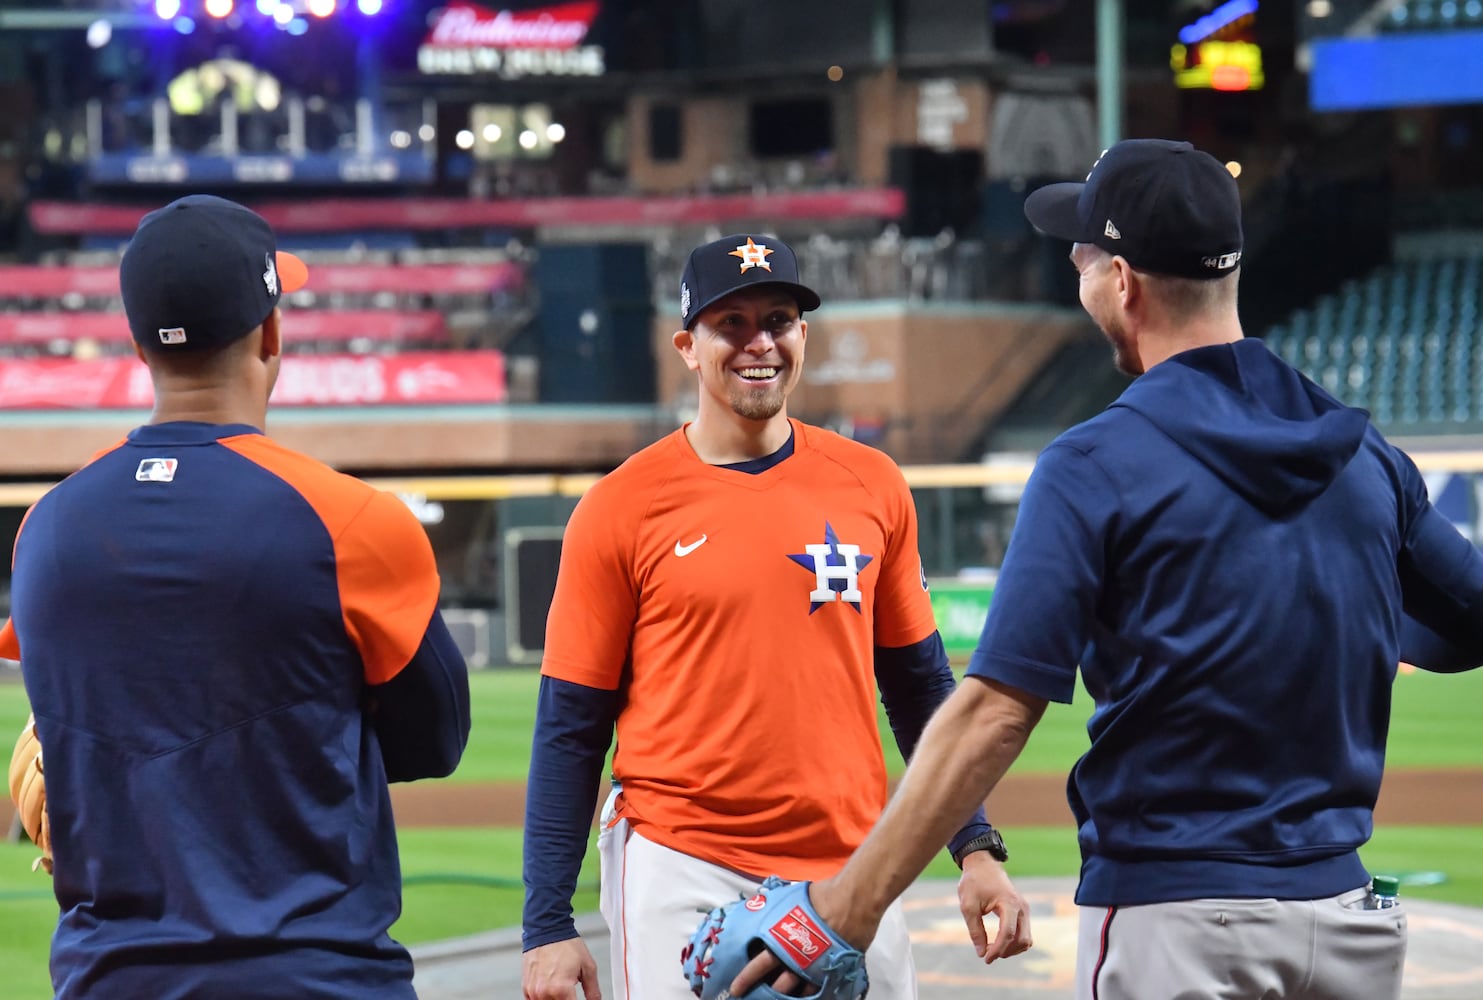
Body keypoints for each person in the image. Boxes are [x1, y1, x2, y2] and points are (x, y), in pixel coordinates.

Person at [729, 138, 1483, 1000]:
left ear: (1120, 281)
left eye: (1082, 257)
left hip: (1176, 925)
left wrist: (847, 908)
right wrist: (1367, 621)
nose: (1078, 276)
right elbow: (1472, 616)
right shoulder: (1364, 454)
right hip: (1345, 920)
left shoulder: (1094, 462)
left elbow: (992, 715)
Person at [520, 233, 1033, 1000]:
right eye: (732, 325)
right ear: (688, 347)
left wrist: (975, 848)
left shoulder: (871, 484)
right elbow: (571, 724)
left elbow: (921, 687)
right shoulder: (620, 507)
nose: (758, 342)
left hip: (854, 866)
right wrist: (547, 927)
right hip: (680, 859)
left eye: (779, 319)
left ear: (803, 337)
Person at [1, 194, 471, 999]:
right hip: (314, 978)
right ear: (272, 333)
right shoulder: (350, 520)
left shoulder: (45, 528)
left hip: (108, 979)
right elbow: (433, 743)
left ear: (140, 344)